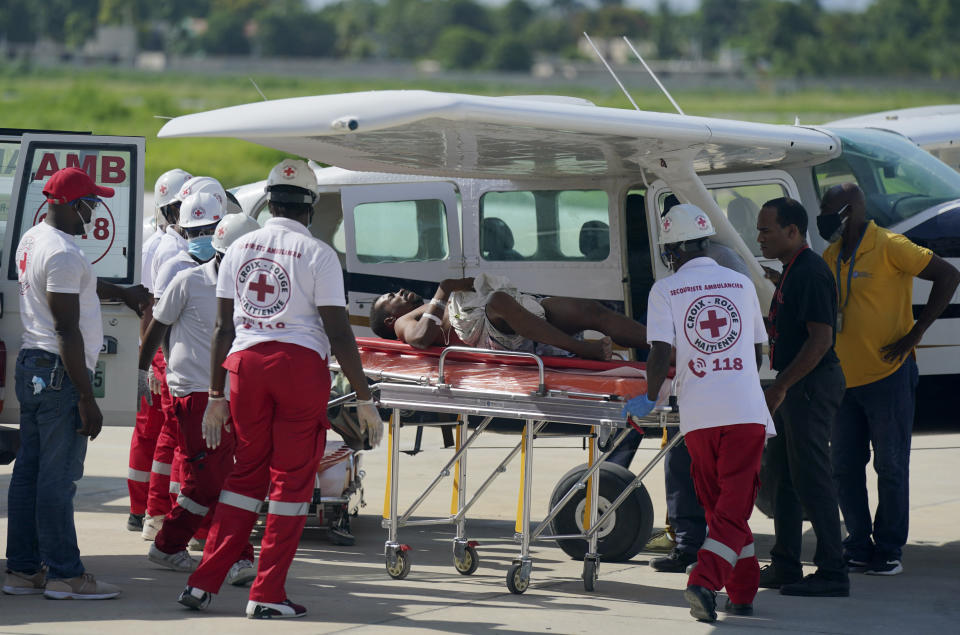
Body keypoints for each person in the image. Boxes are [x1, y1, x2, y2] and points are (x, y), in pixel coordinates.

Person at [177, 159, 384, 619]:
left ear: (269, 202)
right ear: (310, 208)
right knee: (290, 484)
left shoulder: (238, 247)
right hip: (297, 370)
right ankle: (266, 594)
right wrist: (364, 398)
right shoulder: (319, 255)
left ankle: (201, 584)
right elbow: (339, 332)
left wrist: (215, 397)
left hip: (245, 370)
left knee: (243, 479)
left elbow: (221, 328)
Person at [622, 203, 772, 623]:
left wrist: (648, 401)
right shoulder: (741, 285)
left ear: (671, 251)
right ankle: (706, 583)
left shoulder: (665, 290)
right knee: (732, 508)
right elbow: (758, 353)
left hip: (699, 417)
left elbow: (661, 354)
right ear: (706, 242)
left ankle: (738, 592)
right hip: (744, 411)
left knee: (720, 508)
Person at [4, 167, 148, 599]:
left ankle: (23, 570)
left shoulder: (33, 240)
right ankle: (66, 575)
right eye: (90, 202)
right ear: (70, 205)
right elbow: (67, 328)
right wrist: (87, 398)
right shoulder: (65, 253)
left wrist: (119, 291)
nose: (95, 209)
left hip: (32, 366)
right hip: (57, 374)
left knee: (29, 474)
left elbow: (72, 286)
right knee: (58, 479)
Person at [819, 183, 960, 576]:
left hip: (888, 376)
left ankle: (890, 548)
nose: (825, 218)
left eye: (830, 210)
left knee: (891, 466)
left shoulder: (891, 245)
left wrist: (917, 332)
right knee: (844, 467)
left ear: (851, 209)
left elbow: (948, 276)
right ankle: (858, 545)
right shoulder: (831, 255)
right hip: (843, 382)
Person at [139, 209, 261, 585]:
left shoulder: (251, 287)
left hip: (231, 396)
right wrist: (143, 372)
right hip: (194, 398)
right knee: (215, 481)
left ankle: (179, 546)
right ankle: (217, 553)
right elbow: (156, 328)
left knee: (218, 479)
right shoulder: (188, 282)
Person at [756, 197, 849, 597]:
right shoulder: (792, 271)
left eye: (766, 230)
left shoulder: (809, 272)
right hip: (797, 386)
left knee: (813, 479)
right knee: (784, 479)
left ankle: (833, 571)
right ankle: (786, 564)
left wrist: (781, 386)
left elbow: (821, 340)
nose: (759, 238)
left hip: (809, 385)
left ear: (792, 231)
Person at [142, 178, 228, 542]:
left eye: (210, 229)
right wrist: (149, 367)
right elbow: (157, 322)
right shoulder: (177, 267)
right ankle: (164, 518)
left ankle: (178, 520)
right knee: (183, 453)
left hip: (212, 380)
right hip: (182, 375)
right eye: (198, 230)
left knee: (194, 459)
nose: (203, 236)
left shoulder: (220, 268)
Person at [369, 274, 649, 360]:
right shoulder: (405, 325)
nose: (400, 291)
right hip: (487, 337)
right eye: (390, 298)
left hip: (510, 321)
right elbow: (420, 340)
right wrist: (444, 289)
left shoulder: (430, 308)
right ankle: (582, 349)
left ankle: (665, 348)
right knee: (498, 301)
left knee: (590, 311)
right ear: (389, 321)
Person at [127, 168, 192, 533]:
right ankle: (149, 509)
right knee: (162, 434)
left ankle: (144, 508)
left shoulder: (161, 244)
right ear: (169, 210)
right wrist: (152, 365)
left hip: (156, 348)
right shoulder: (167, 248)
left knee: (155, 434)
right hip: (159, 349)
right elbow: (149, 308)